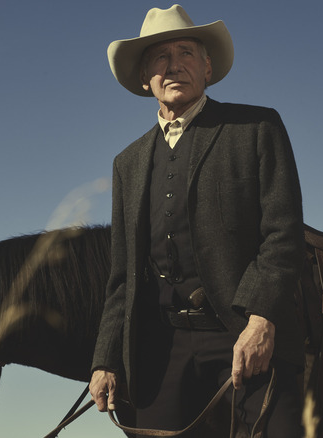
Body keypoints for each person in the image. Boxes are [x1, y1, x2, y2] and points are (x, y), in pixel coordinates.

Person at [89, 4, 307, 436]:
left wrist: (262, 319)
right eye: (160, 57)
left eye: (186, 53)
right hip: (161, 348)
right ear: (144, 77)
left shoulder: (256, 128)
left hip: (243, 335)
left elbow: (283, 235)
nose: (174, 66)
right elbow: (122, 276)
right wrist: (105, 359)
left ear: (207, 67)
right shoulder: (126, 163)